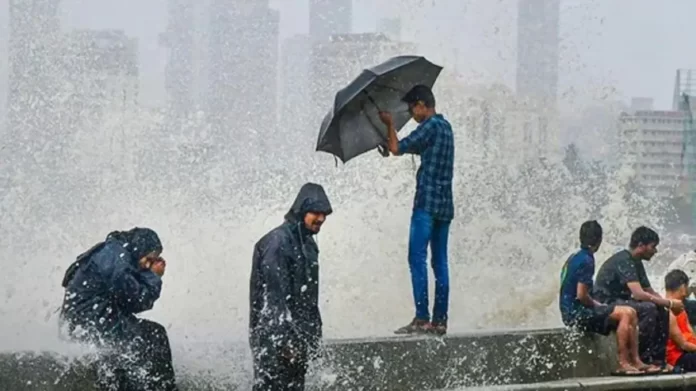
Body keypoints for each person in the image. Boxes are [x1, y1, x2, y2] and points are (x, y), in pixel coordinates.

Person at [378, 84, 455, 335]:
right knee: (440, 262)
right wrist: (392, 143)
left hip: (426, 206)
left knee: (416, 258)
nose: (412, 115)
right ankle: (440, 320)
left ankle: (422, 318)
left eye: (413, 109)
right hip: (445, 206)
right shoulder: (446, 128)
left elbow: (397, 148)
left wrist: (389, 125)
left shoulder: (429, 126)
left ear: (422, 104)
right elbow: (407, 147)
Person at [60, 227, 178, 391]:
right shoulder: (117, 259)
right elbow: (136, 300)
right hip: (93, 323)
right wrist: (154, 276)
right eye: (149, 259)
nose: (147, 265)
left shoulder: (113, 252)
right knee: (155, 335)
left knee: (131, 350)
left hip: (85, 323)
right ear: (140, 248)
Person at [249, 182, 333, 391]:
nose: (321, 218)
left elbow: (309, 299)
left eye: (324, 213)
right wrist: (284, 341)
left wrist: (314, 338)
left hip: (298, 339)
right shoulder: (277, 242)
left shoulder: (309, 244)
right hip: (274, 341)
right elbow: (275, 298)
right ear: (301, 210)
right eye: (316, 212)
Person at [559, 220, 658, 375]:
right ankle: (623, 363)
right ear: (599, 240)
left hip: (568, 310)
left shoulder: (574, 257)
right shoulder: (587, 260)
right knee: (625, 313)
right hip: (575, 314)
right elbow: (581, 295)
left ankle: (637, 361)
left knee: (630, 312)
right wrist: (599, 305)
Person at [593, 226, 683, 371]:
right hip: (606, 304)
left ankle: (659, 361)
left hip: (622, 302)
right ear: (641, 245)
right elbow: (638, 294)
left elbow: (649, 291)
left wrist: (668, 305)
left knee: (661, 310)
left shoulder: (637, 262)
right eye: (653, 247)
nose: (655, 251)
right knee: (649, 309)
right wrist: (670, 302)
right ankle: (644, 359)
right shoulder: (624, 260)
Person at [665, 269, 696, 372]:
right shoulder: (668, 310)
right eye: (686, 287)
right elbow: (682, 344)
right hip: (677, 357)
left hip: (689, 352)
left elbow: (691, 334)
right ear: (683, 287)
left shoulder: (680, 308)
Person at [663, 250, 696, 324]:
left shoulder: (686, 259)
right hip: (673, 300)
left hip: (668, 298)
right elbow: (687, 290)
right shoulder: (691, 263)